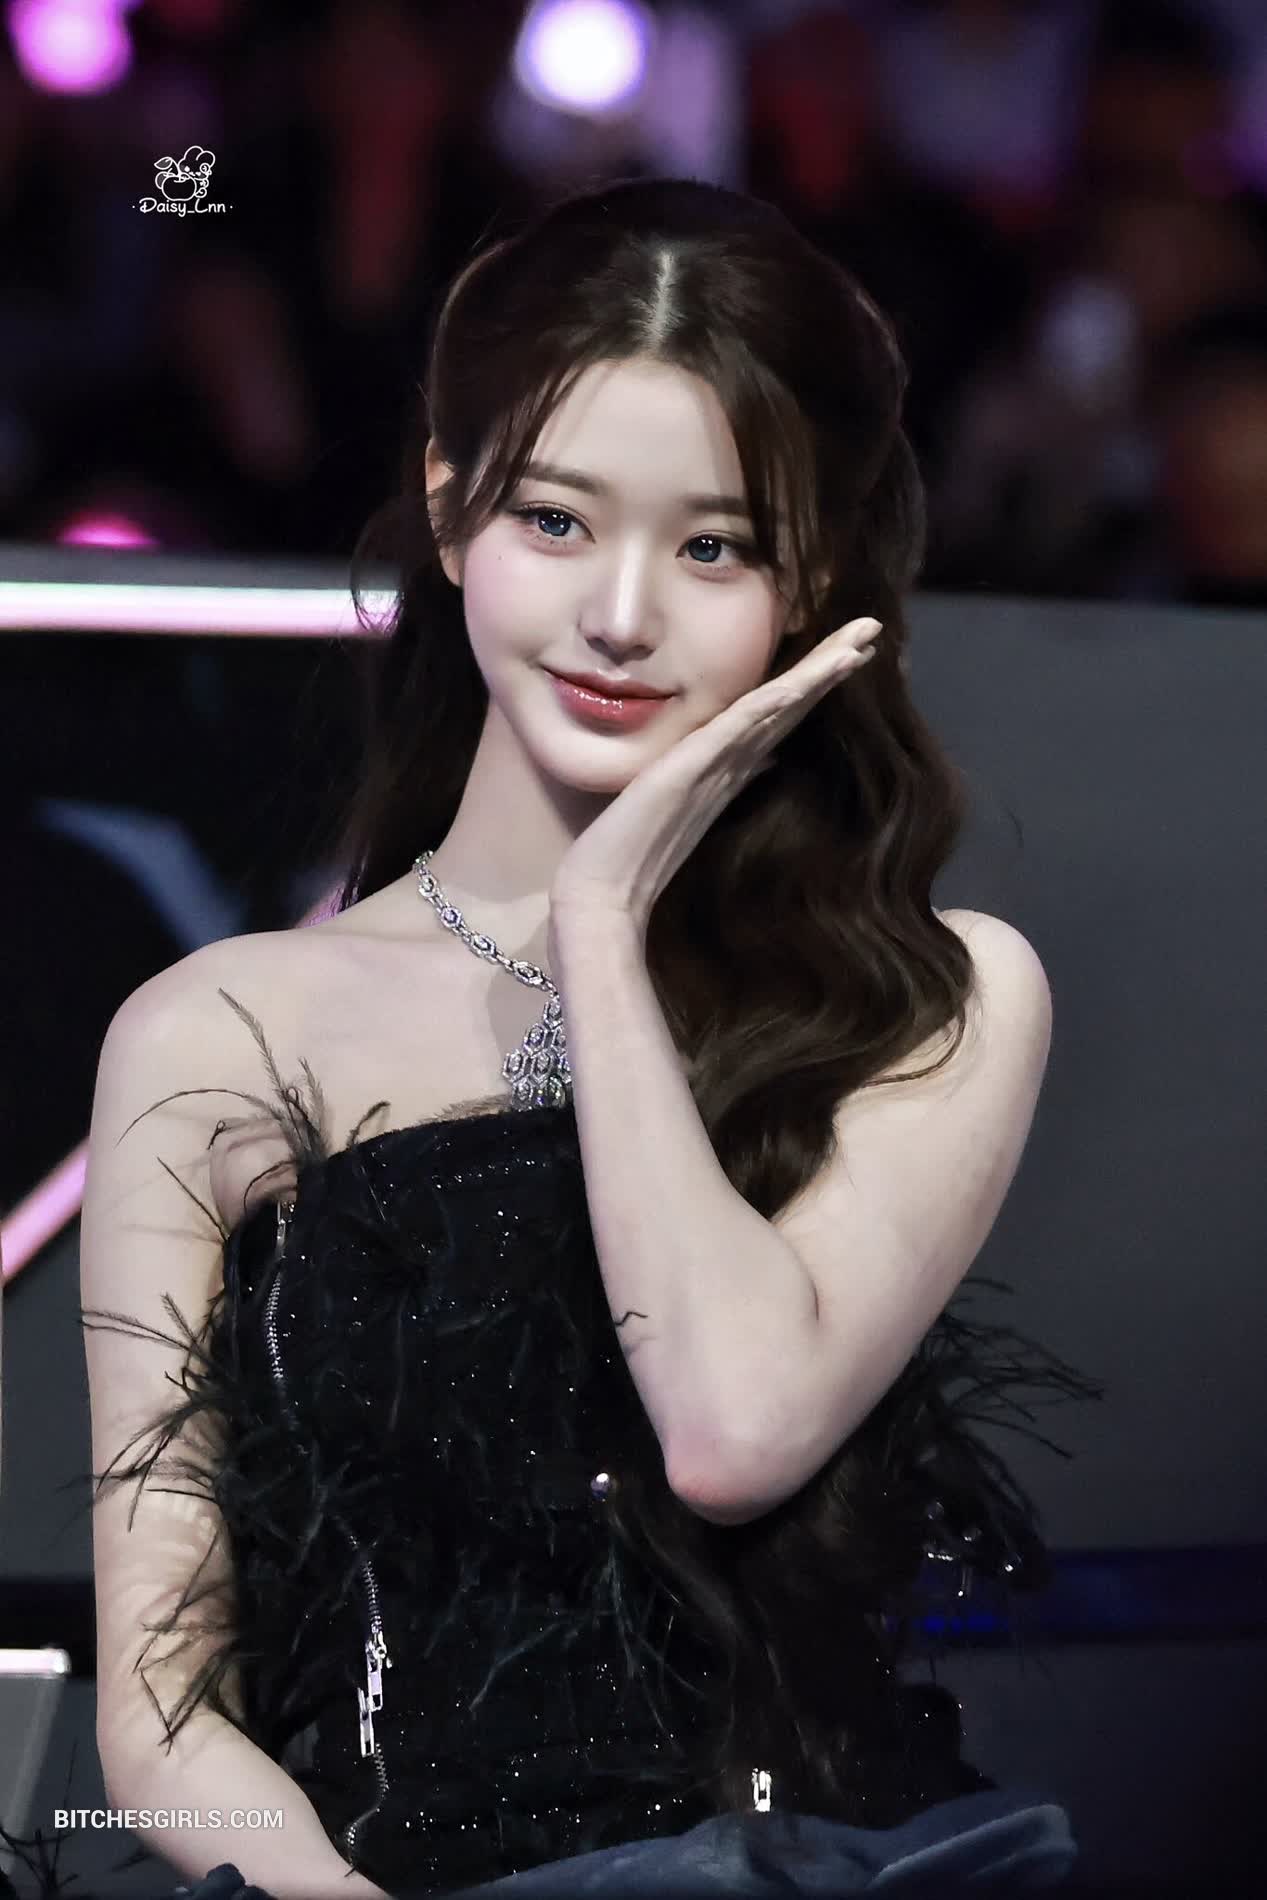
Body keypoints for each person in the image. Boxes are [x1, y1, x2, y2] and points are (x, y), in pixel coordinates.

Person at [77, 177, 1100, 1900]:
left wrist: (604, 929)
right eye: (557, 520)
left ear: (816, 574)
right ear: (448, 504)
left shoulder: (938, 997)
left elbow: (732, 1429)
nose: (623, 615)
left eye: (715, 548)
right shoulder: (218, 1034)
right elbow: (164, 1713)